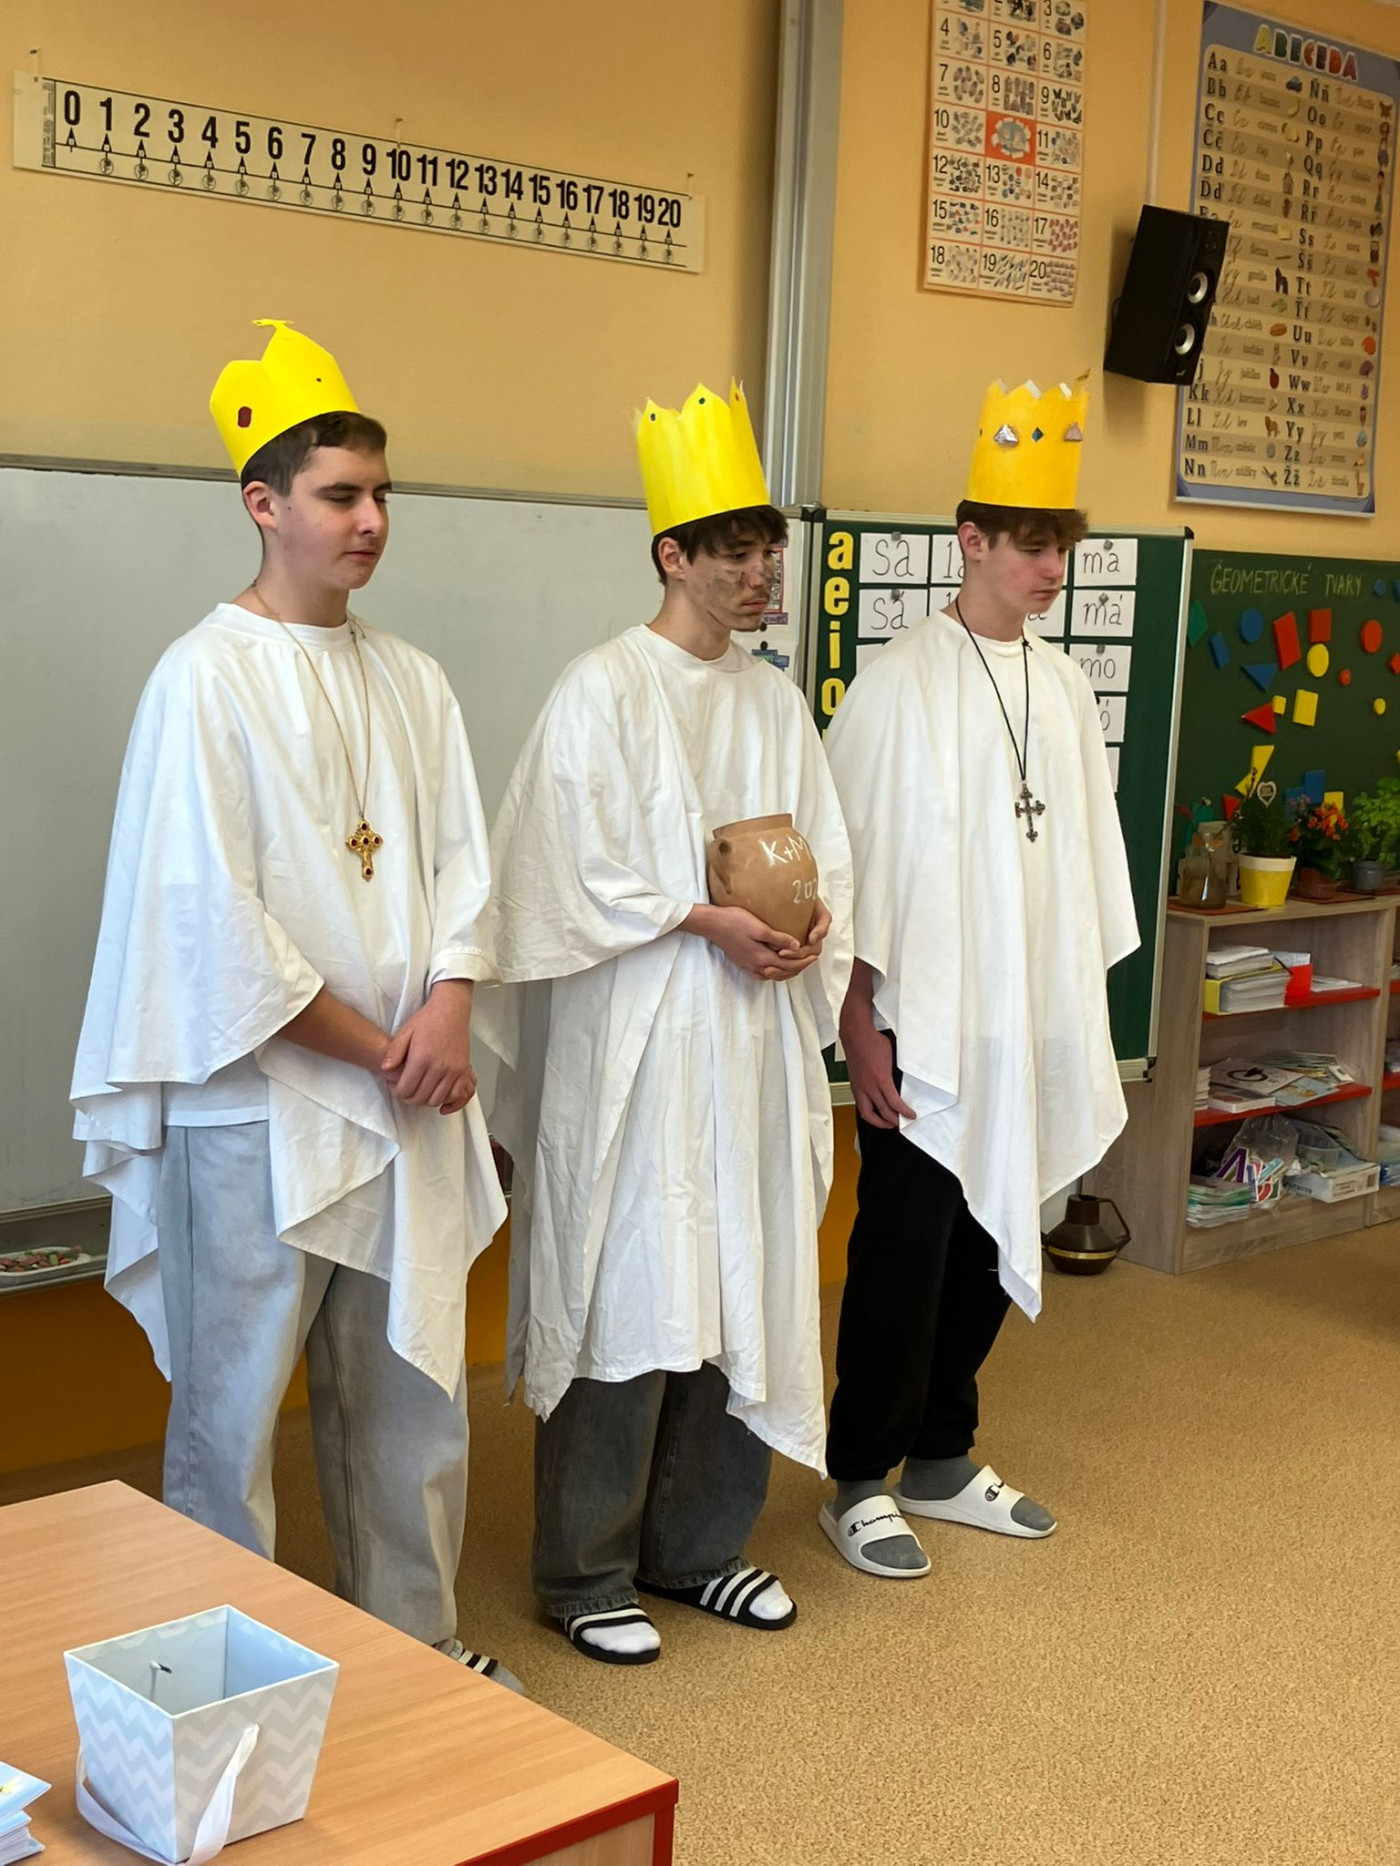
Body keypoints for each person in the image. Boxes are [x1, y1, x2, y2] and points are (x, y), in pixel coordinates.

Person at [70, 319, 519, 1688]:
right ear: (263, 505)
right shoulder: (202, 678)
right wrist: (385, 1046)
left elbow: (463, 868)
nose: (370, 520)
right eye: (339, 495)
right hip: (255, 1108)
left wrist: (449, 1002)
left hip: (405, 1096)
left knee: (411, 1392)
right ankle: (223, 1682)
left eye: (381, 493)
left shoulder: (414, 679)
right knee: (232, 1407)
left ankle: (415, 1646)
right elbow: (208, 924)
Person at [477, 382, 852, 1664]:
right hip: (635, 1045)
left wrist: (808, 927)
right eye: (731, 552)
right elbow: (548, 872)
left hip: (745, 1044)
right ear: (670, 555)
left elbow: (822, 846)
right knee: (627, 1284)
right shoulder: (601, 689)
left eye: (767, 552)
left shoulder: (772, 702)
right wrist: (699, 919)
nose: (757, 575)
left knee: (737, 1279)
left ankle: (696, 1547)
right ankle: (582, 1570)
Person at [818, 378, 1139, 1578]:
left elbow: (1074, 868)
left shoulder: (1063, 685)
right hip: (924, 1024)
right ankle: (859, 1477)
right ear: (970, 540)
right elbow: (852, 863)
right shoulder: (899, 681)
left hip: (1024, 1018)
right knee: (904, 1250)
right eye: (1029, 544)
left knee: (991, 1239)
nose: (1050, 568)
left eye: (1061, 546)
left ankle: (941, 1456)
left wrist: (1068, 1021)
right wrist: (858, 1025)